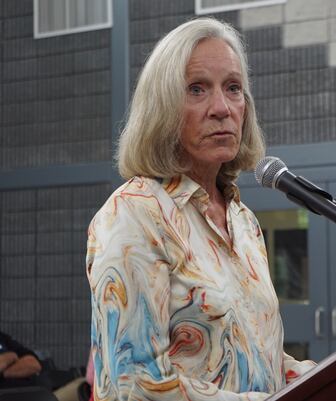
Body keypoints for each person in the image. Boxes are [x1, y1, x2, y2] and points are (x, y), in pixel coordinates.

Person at [86, 18, 316, 401]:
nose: (222, 108)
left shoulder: (243, 222)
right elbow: (135, 386)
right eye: (197, 89)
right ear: (162, 107)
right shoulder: (134, 215)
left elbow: (259, 359)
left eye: (233, 88)